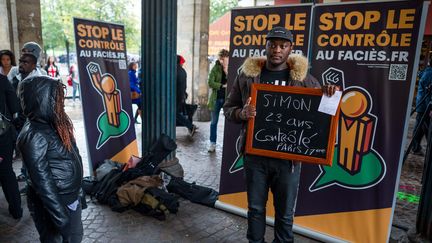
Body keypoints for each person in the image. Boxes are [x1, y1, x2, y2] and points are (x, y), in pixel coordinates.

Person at [223, 27, 338, 242]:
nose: (277, 50)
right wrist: (242, 113)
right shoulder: (247, 76)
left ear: (290, 49)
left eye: (283, 46)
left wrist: (329, 92)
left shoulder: (304, 79)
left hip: (288, 161)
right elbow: (228, 108)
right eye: (272, 45)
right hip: (255, 156)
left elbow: (321, 114)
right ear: (265, 46)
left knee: (285, 214)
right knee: (255, 209)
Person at [17, 76, 84, 242]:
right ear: (42, 100)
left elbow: (73, 155)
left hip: (69, 198)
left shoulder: (54, 122)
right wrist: (62, 220)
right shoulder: (34, 134)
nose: (60, 102)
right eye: (56, 97)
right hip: (56, 204)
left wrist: (79, 192)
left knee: (75, 237)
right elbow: (43, 183)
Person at [0, 74, 23, 219]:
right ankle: (16, 210)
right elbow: (14, 105)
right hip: (2, 135)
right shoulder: (2, 80)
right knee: (6, 172)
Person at [207, 49, 229, 152]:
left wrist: (226, 70)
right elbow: (210, 82)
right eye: (221, 59)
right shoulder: (215, 68)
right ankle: (212, 143)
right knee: (213, 122)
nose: (222, 61)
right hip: (216, 98)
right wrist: (222, 85)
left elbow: (234, 82)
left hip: (227, 100)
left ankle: (228, 144)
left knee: (229, 123)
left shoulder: (231, 68)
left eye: (224, 59)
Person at [412, 56, 432, 155]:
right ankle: (420, 148)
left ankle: (416, 148)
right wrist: (430, 108)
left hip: (422, 105)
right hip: (425, 106)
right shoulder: (430, 74)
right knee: (427, 128)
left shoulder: (427, 72)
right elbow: (428, 93)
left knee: (420, 128)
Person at [176, 55, 197, 136]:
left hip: (177, 96)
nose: (183, 64)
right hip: (181, 96)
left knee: (174, 113)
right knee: (175, 113)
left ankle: (190, 126)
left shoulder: (175, 70)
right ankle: (190, 126)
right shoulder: (182, 71)